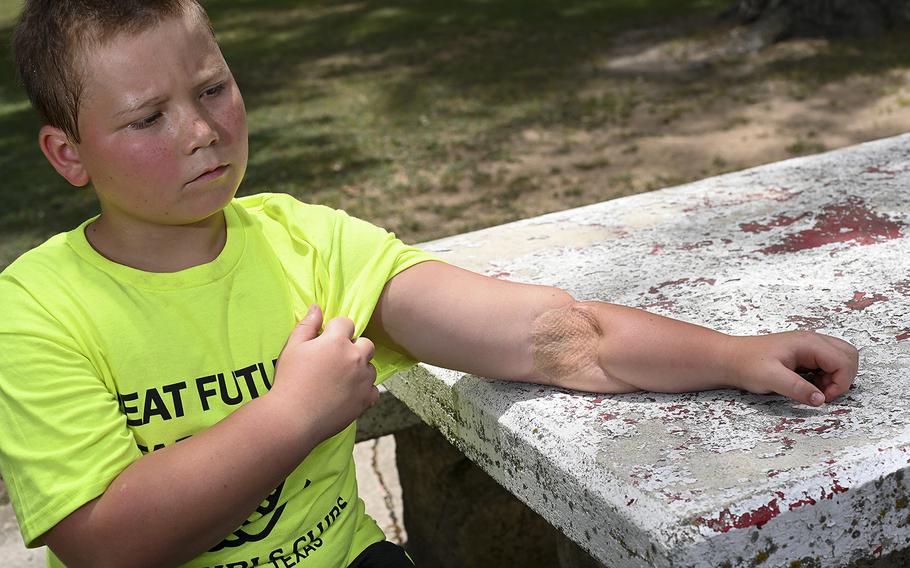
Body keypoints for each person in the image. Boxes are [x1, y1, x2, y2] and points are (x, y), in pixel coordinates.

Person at [0, 1, 859, 567]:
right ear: (67, 153)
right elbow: (105, 543)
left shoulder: (313, 244)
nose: (201, 131)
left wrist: (736, 355)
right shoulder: (35, 311)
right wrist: (293, 413)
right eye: (148, 117)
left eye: (215, 87)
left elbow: (555, 338)